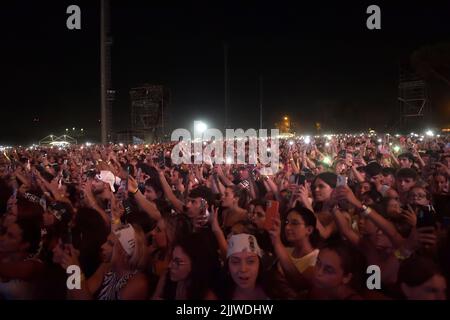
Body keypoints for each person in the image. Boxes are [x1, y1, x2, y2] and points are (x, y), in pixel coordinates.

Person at [55, 223, 149, 300]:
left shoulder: (138, 283)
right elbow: (75, 296)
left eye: (110, 244)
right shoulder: (106, 268)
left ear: (125, 253)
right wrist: (71, 268)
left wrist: (75, 271)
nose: (102, 246)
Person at [153, 233, 218, 300]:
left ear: (195, 265)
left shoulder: (207, 297)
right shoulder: (166, 277)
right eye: (171, 258)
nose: (169, 265)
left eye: (177, 262)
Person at [0, 217, 44, 299]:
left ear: (24, 245)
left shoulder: (33, 265)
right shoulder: (4, 255)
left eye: (10, 236)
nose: (1, 238)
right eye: (4, 233)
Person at [223, 233, 269, 300]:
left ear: (260, 264)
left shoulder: (275, 290)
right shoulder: (217, 295)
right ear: (228, 266)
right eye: (235, 262)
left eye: (250, 261)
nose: (243, 269)